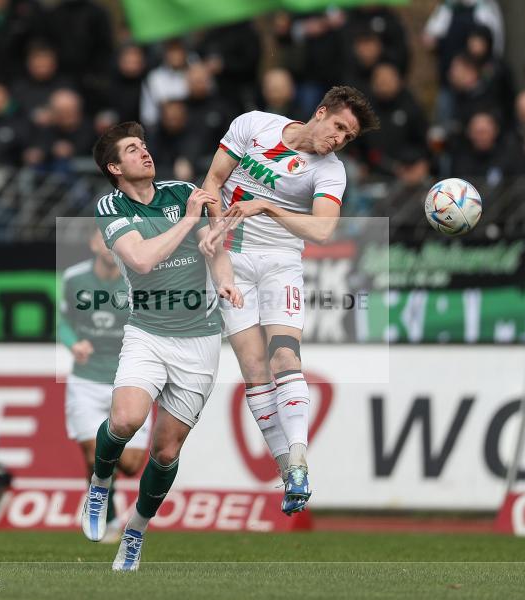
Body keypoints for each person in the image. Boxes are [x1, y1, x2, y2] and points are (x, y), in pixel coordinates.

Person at [198, 86, 377, 515]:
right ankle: (289, 471)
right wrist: (215, 232)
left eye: (348, 137)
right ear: (320, 113)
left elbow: (321, 231)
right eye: (338, 127)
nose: (339, 140)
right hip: (233, 258)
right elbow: (213, 181)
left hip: (280, 263)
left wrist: (269, 207)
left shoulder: (331, 172)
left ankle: (298, 454)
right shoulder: (254, 125)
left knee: (284, 358)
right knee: (254, 369)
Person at [83, 121, 243, 571]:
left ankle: (135, 530)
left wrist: (226, 281)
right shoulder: (110, 205)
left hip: (199, 339)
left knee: (167, 451)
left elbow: (214, 248)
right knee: (126, 419)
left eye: (144, 145)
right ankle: (100, 483)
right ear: (115, 166)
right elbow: (142, 260)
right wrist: (190, 220)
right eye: (132, 150)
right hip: (148, 334)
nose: (145, 152)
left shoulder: (182, 191)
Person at [59, 227, 149, 544]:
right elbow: (62, 320)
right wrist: (73, 343)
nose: (109, 244)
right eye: (103, 238)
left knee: (129, 465)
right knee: (92, 456)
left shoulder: (139, 277)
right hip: (86, 379)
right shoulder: (74, 278)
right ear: (93, 243)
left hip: (130, 379)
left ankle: (106, 490)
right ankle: (106, 518)